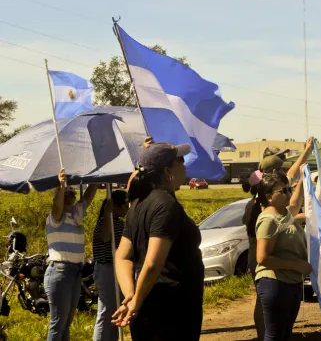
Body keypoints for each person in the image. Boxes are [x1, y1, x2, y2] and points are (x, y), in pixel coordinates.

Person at [112, 141, 203, 340]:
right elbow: (153, 263)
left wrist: (131, 295)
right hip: (170, 310)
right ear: (167, 170)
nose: (185, 165)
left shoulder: (137, 203)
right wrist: (135, 301)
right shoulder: (165, 205)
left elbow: (122, 256)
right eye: (180, 160)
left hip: (149, 306)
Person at [253, 137, 313, 341]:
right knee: (275, 334)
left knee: (284, 333)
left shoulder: (282, 210)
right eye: (284, 191)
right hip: (275, 281)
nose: (288, 193)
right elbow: (262, 258)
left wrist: (302, 182)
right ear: (269, 196)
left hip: (290, 281)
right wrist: (296, 265)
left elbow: (294, 203)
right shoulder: (268, 217)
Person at [45, 168, 99, 341]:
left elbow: (89, 196)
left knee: (67, 322)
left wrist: (98, 178)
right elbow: (57, 204)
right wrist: (61, 186)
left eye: (72, 193)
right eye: (67, 194)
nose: (71, 196)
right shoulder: (56, 217)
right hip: (60, 271)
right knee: (58, 323)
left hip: (75, 271)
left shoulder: (75, 214)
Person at [92, 189, 129, 341]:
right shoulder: (105, 222)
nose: (127, 209)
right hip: (106, 268)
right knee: (106, 312)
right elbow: (106, 237)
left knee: (115, 311)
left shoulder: (120, 223)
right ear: (115, 207)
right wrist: (107, 213)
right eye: (124, 206)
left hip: (116, 269)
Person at [243, 169, 265, 340]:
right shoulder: (257, 206)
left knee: (262, 298)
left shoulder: (251, 204)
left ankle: (263, 335)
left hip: (254, 256)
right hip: (259, 257)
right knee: (263, 299)